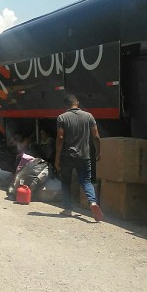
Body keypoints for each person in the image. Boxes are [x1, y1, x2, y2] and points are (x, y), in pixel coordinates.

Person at [54, 93, 104, 222]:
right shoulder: (89, 116)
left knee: (66, 181)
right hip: (84, 156)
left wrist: (57, 159)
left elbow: (60, 138)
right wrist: (98, 152)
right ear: (78, 103)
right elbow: (96, 136)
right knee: (86, 181)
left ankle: (68, 209)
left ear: (66, 106)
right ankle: (93, 202)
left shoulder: (62, 118)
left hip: (67, 156)